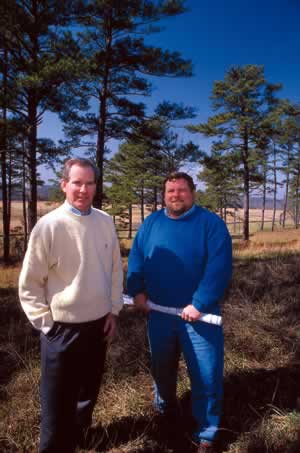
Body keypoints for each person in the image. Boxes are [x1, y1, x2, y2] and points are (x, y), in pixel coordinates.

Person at [19, 158, 123, 453]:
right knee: (57, 401)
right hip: (61, 329)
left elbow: (115, 270)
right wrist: (46, 324)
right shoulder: (49, 226)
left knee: (87, 393)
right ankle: (53, 448)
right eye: (77, 182)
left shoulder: (104, 222)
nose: (83, 189)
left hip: (98, 325)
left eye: (90, 183)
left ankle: (80, 440)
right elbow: (29, 284)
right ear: (64, 185)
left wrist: (113, 311)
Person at [127, 172, 232, 453]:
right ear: (164, 194)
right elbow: (137, 257)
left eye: (182, 190)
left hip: (199, 317)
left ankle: (207, 433)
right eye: (170, 191)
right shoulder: (152, 223)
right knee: (162, 369)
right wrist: (136, 290)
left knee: (206, 375)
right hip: (159, 315)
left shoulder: (211, 225)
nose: (176, 195)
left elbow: (219, 268)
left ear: (193, 192)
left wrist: (199, 303)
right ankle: (166, 413)